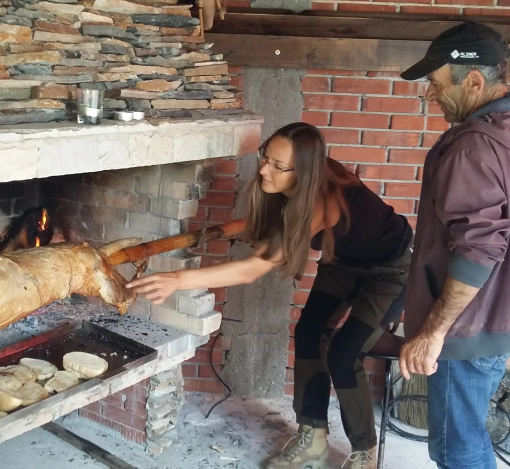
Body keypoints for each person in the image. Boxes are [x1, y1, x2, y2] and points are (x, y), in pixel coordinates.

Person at [127, 122, 413, 469]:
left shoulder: (321, 202)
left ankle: (365, 450)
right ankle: (313, 438)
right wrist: (218, 231)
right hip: (342, 261)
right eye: (266, 157)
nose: (264, 169)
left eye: (278, 166)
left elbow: (252, 269)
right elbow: (272, 221)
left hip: (390, 269)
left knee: (345, 354)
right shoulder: (301, 178)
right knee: (309, 333)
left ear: (303, 171)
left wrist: (176, 279)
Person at [397, 21, 510, 469]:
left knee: (457, 450)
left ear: (473, 80)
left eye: (437, 84)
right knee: (467, 435)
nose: (431, 95)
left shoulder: (474, 147)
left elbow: (478, 249)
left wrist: (434, 333)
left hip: (471, 325)